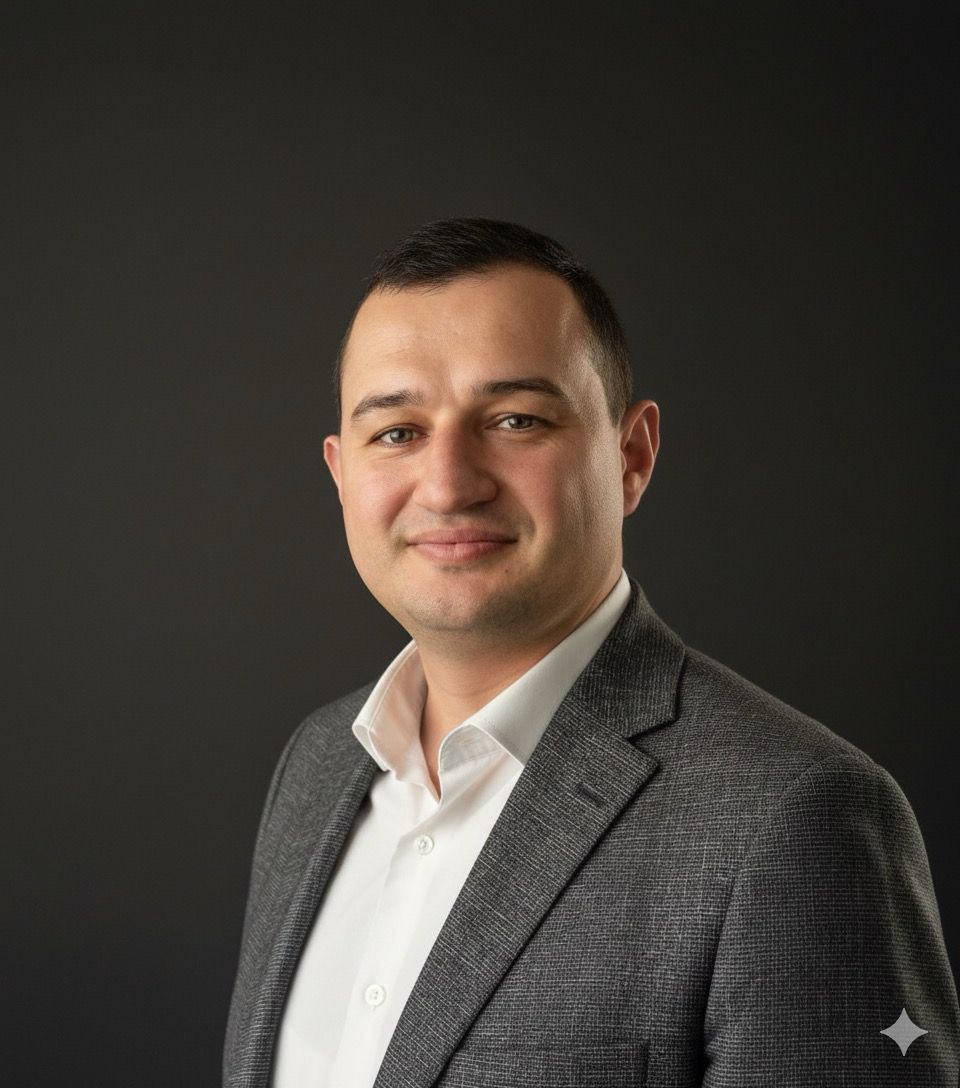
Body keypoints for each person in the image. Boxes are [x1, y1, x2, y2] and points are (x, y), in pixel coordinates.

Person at [224, 218, 958, 1087]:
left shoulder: (796, 819)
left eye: (516, 419)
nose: (449, 483)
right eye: (396, 432)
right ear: (341, 474)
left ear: (631, 456)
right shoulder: (314, 766)